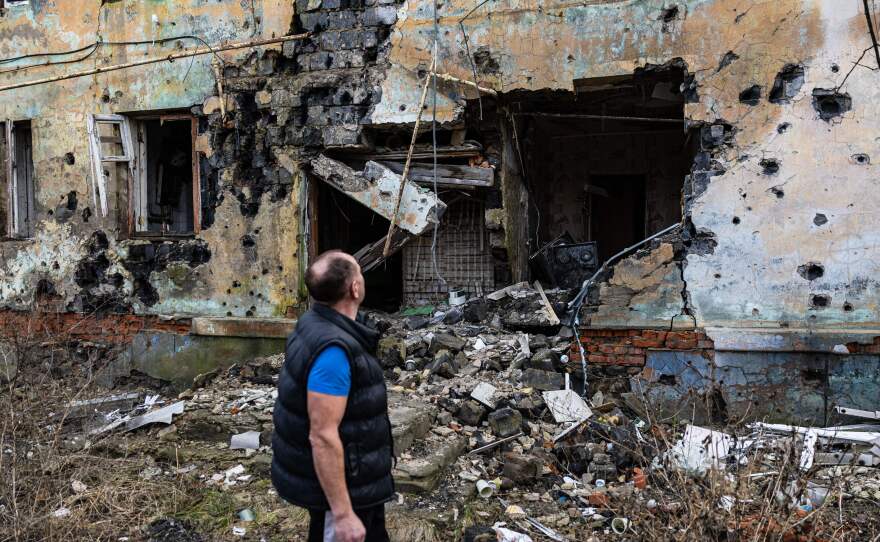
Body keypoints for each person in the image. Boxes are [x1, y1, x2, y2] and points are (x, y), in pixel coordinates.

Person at [272, 250, 394, 542]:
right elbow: (322, 435)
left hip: (358, 480)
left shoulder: (317, 323)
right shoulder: (333, 353)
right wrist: (342, 514)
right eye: (359, 272)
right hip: (344, 490)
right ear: (354, 288)